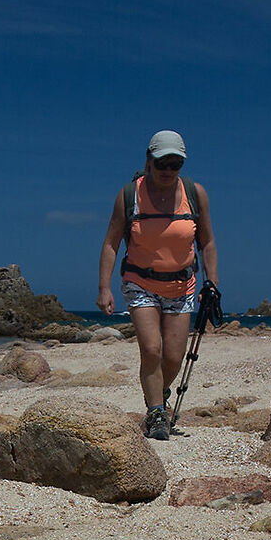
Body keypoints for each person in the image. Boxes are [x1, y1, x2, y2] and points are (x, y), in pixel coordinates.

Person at [98, 130, 217, 440]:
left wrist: (211, 283)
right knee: (151, 348)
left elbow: (207, 242)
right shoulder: (130, 195)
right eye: (162, 163)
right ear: (148, 161)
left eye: (175, 164)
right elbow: (111, 243)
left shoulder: (195, 194)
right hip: (140, 282)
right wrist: (104, 288)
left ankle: (158, 395)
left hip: (182, 285)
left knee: (174, 357)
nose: (168, 170)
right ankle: (155, 413)